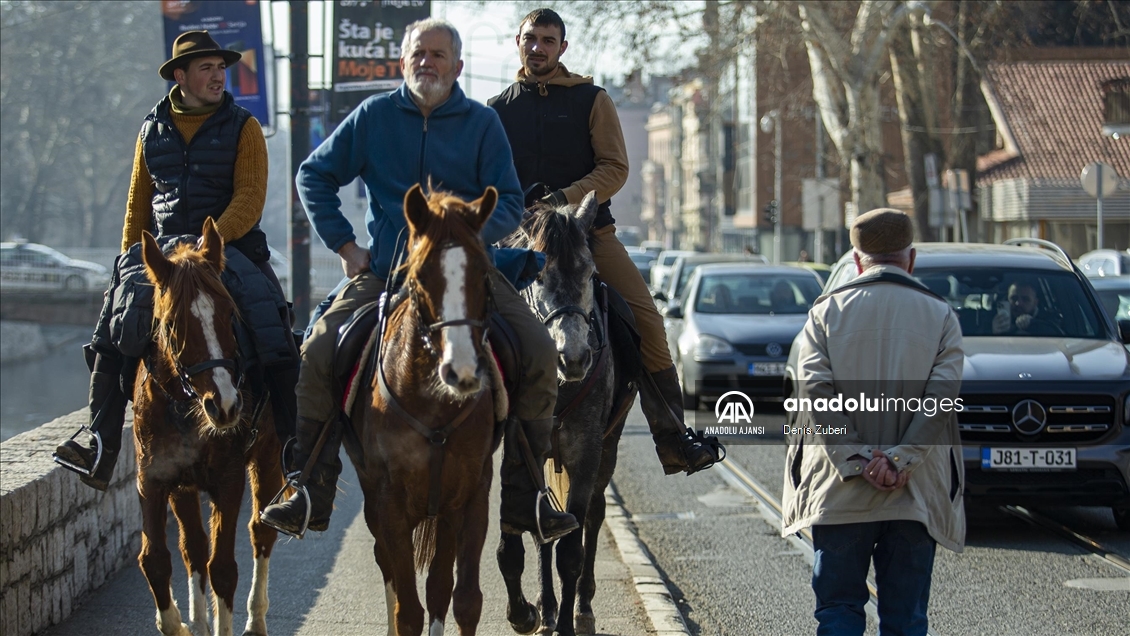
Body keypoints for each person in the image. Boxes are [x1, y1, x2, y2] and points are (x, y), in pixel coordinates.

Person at [259, 18, 578, 543]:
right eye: (417, 53)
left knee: (540, 350)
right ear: (402, 62)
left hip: (468, 275)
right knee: (317, 349)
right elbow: (312, 174)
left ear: (456, 65)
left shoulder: (481, 123)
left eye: (437, 54)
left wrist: (467, 234)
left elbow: (513, 203)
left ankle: (529, 499)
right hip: (387, 272)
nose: (426, 62)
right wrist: (345, 245)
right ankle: (309, 486)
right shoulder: (372, 117)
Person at [54, 30, 297, 491]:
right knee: (114, 329)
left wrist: (210, 248)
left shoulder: (245, 127)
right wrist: (131, 264)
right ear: (181, 76)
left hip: (229, 250)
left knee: (274, 329)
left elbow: (249, 199)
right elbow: (137, 207)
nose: (218, 76)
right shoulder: (152, 129)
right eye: (206, 68)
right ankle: (99, 442)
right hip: (163, 255)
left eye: (221, 68)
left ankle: (292, 450)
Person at [488, 8, 723, 476]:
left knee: (648, 323)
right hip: (520, 244)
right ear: (517, 42)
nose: (538, 47)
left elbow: (615, 168)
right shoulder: (495, 110)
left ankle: (672, 437)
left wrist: (563, 200)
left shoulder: (592, 99)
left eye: (548, 40)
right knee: (462, 316)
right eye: (530, 39)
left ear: (563, 48)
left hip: (589, 236)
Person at [782, 208, 965, 636]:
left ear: (857, 259)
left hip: (840, 492)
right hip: (914, 495)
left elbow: (816, 395)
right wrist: (899, 461)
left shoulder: (825, 314)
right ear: (912, 258)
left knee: (840, 610)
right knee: (905, 618)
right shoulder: (940, 316)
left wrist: (859, 460)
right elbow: (939, 402)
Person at [992, 281, 1060, 335]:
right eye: (1014, 298)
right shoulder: (990, 319)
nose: (1018, 303)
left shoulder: (1048, 321)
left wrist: (1033, 324)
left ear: (1035, 303)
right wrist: (993, 331)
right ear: (1007, 299)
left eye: (1025, 299)